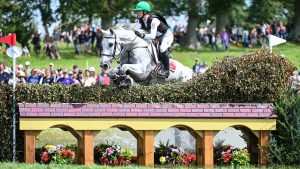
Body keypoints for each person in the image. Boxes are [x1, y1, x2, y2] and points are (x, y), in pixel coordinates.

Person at [133, 1, 173, 78]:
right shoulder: (141, 20)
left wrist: (142, 35)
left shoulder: (153, 20)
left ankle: (167, 71)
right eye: (136, 11)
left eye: (138, 11)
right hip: (157, 38)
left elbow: (152, 36)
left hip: (166, 36)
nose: (137, 13)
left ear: (145, 12)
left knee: (162, 48)